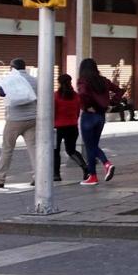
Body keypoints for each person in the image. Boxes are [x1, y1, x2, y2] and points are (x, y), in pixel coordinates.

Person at [0, 58, 38, 189]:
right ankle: (38, 176)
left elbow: (1, 92)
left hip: (15, 120)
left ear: (12, 68)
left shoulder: (10, 79)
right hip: (32, 119)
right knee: (34, 149)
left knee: (7, 149)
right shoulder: (34, 81)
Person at [76, 58, 122, 186]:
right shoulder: (103, 81)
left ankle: (105, 165)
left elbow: (82, 94)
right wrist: (111, 104)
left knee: (90, 146)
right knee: (93, 146)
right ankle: (93, 176)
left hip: (89, 116)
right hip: (101, 116)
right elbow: (119, 90)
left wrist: (86, 106)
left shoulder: (83, 81)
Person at [53, 73, 89, 183]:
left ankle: (56, 174)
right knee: (71, 150)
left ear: (59, 82)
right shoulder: (76, 96)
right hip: (72, 127)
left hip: (57, 128)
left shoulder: (55, 96)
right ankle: (85, 167)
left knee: (55, 151)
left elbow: (52, 112)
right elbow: (78, 112)